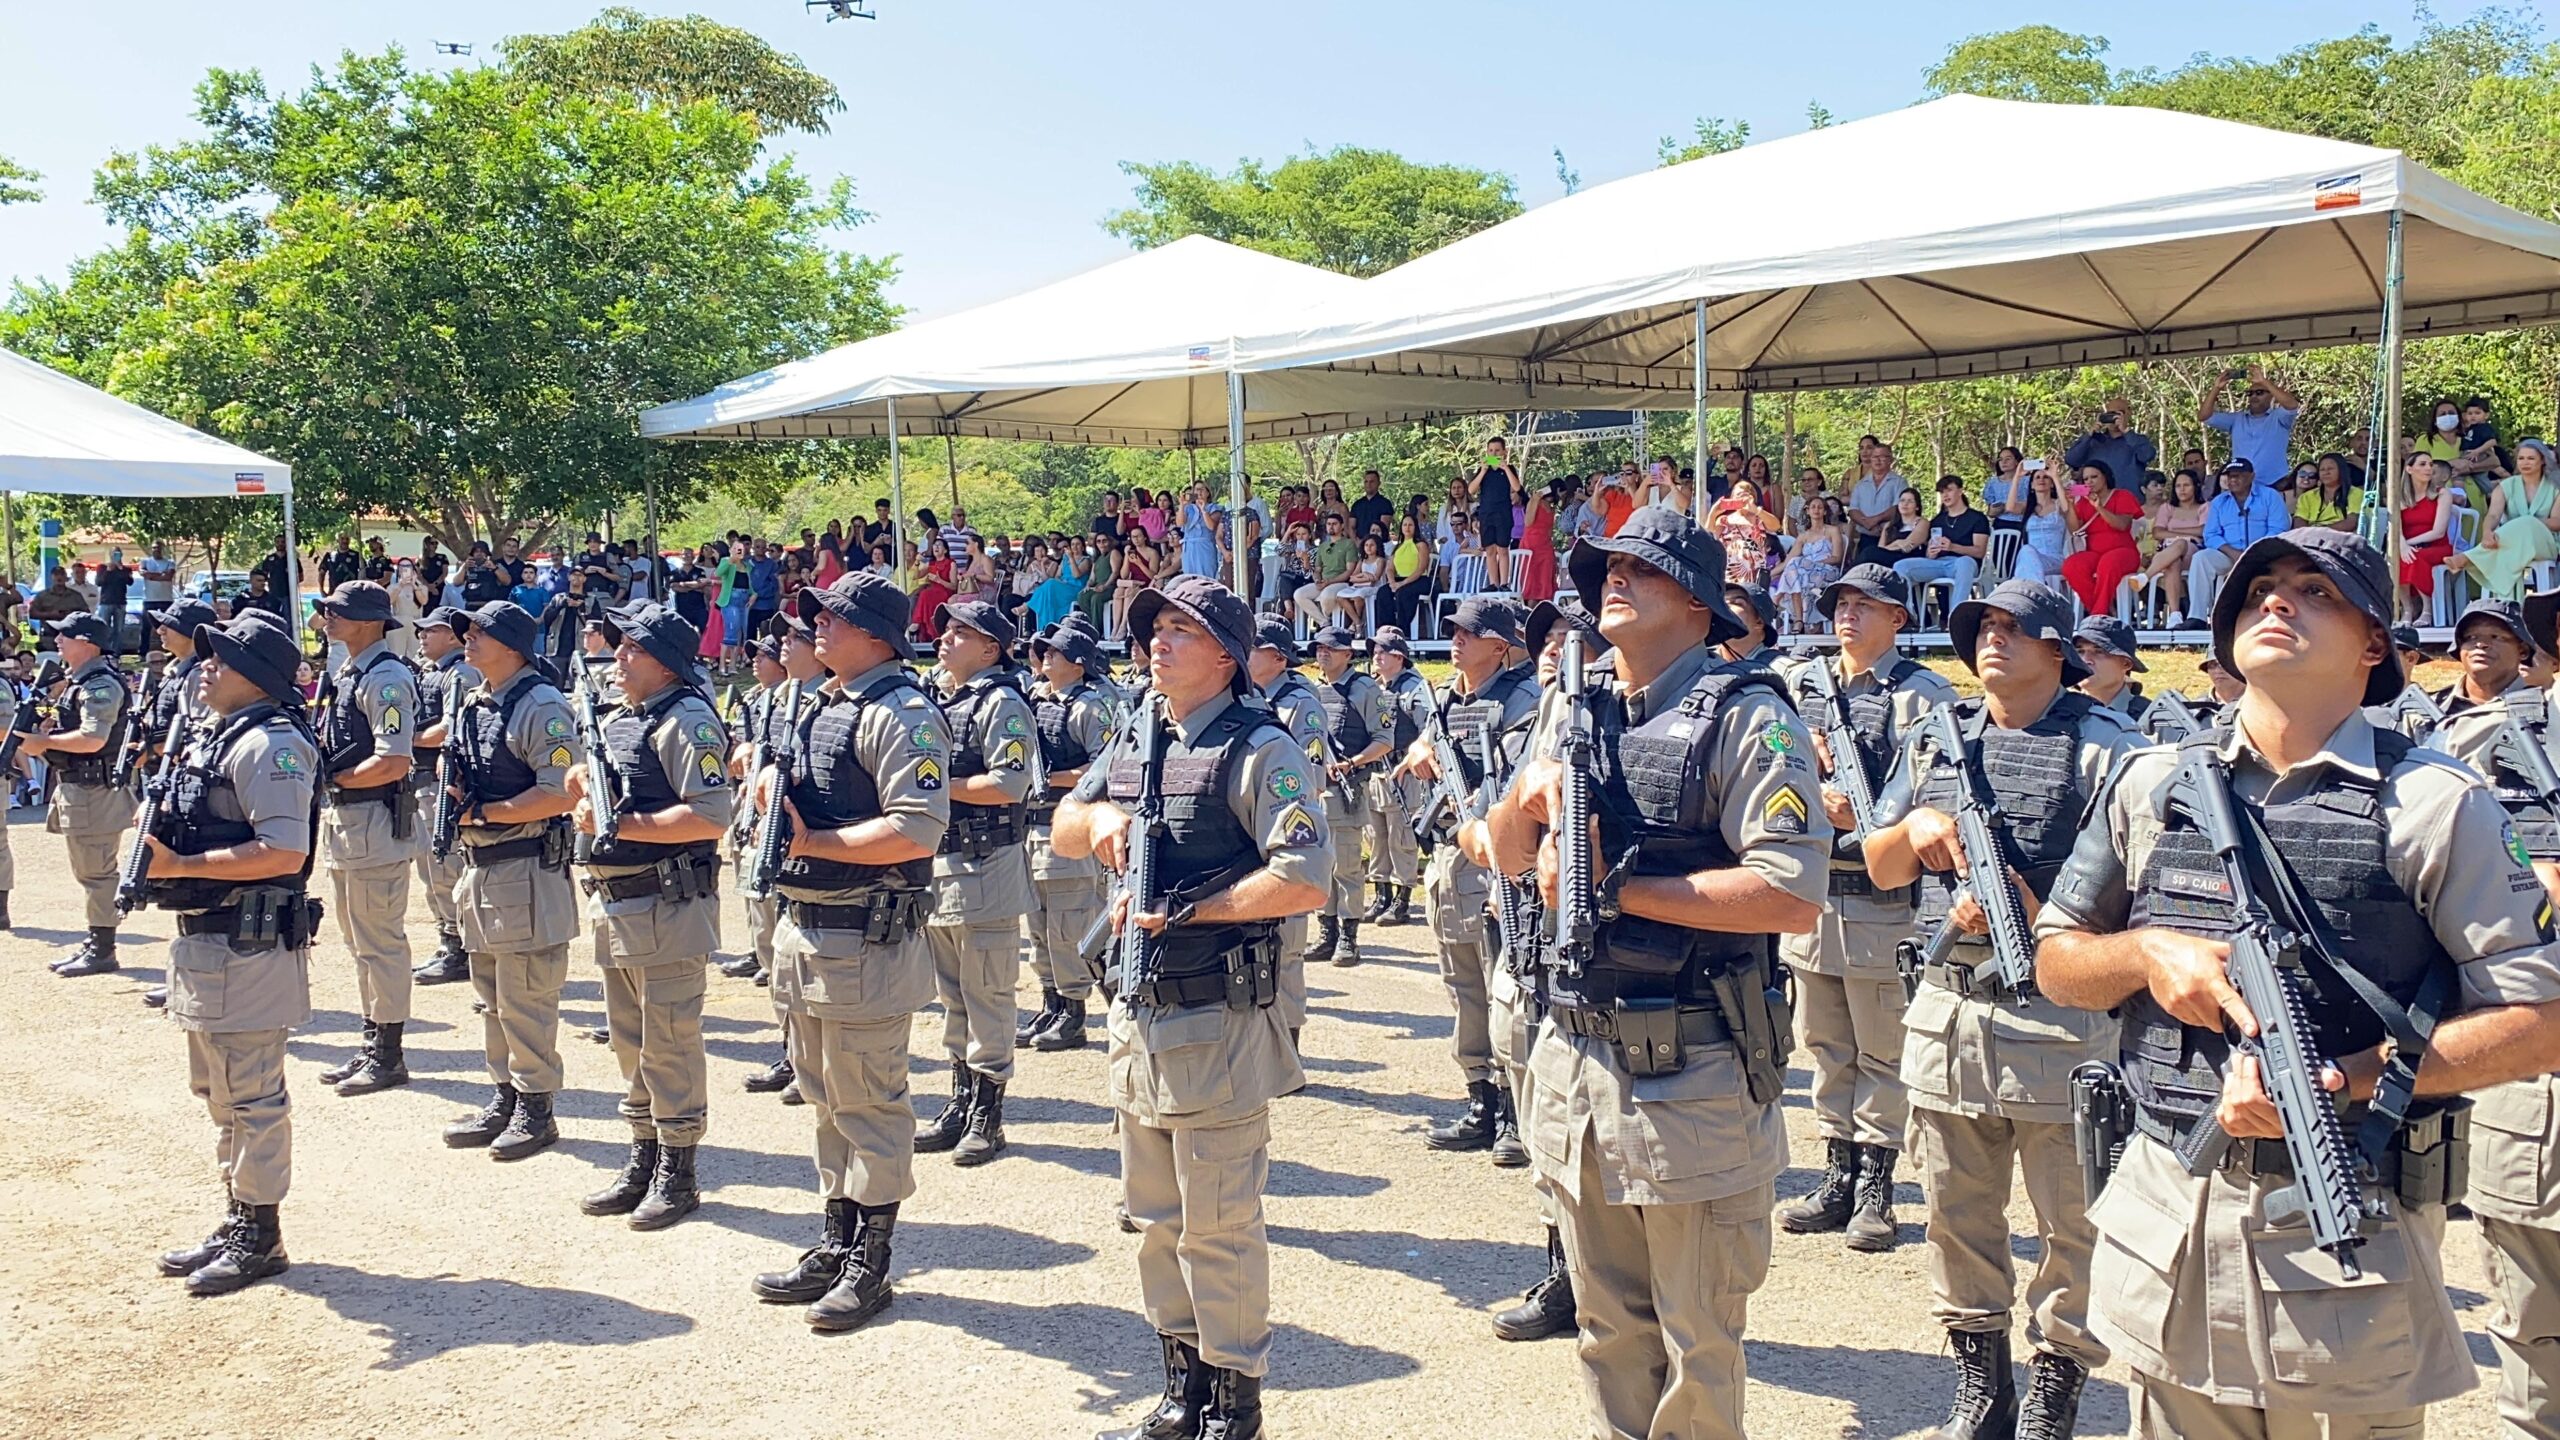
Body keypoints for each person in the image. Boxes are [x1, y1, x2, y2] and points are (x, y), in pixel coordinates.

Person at [2035, 526, 2560, 1439]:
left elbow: (2542, 1020)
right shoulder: (2150, 781)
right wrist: (2147, 954)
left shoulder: (2437, 804)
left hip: (2349, 1225)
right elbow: (2057, 961)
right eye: (2260, 589)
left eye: (2316, 591)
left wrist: (2349, 1078)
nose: (2276, 601)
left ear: (2373, 646)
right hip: (2172, 1208)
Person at [1484, 504, 1826, 1440]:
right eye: (1608, 567)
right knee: (1605, 1333)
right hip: (1578, 1068)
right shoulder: (1572, 704)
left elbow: (1789, 895)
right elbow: (1506, 852)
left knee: (1698, 1348)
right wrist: (1526, 796)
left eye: (1643, 567)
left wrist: (1615, 888)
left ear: (1698, 604)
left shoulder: (1747, 717)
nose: (1614, 579)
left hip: (1695, 1076)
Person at [1861, 578, 2138, 1440]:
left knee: (2075, 1221)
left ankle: (2056, 1383)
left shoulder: (2106, 750)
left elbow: (2148, 895)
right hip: (1951, 1013)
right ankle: (1983, 1385)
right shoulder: (1936, 741)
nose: (1994, 640)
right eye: (1984, 626)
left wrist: (2036, 905)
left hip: (2064, 1020)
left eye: (2016, 629)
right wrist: (1915, 833)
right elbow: (1878, 865)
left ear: (2060, 649)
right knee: (1955, 1213)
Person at [1053, 573, 1327, 1440]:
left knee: (1218, 1224)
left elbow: (1304, 878)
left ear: (1227, 655)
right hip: (1140, 1012)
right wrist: (1096, 827)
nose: (1158, 644)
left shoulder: (1260, 748)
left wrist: (1190, 910)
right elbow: (1063, 816)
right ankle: (1182, 1388)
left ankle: (1233, 1399)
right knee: (1157, 1220)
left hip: (1219, 1015)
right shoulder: (1141, 733)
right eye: (1154, 629)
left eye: (1181, 630)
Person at [747, 571, 951, 1333]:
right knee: (826, 1097)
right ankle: (836, 1239)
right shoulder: (825, 705)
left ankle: (872, 1260)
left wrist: (815, 840)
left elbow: (916, 828)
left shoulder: (902, 714)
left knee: (869, 1103)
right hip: (810, 929)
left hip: (865, 938)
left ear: (877, 636)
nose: (816, 628)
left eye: (834, 618)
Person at [1773, 566, 1960, 1256]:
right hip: (1817, 891)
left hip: (1883, 899)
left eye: (1863, 606)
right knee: (1825, 1044)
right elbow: (1770, 748)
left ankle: (1878, 1184)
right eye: (1840, 605)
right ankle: (1837, 1172)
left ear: (1897, 619)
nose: (1847, 616)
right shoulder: (1804, 683)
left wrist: (1873, 814)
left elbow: (1936, 782)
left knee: (1882, 1049)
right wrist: (1805, 775)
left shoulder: (1920, 695)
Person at [138, 612, 323, 1296]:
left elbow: (283, 850)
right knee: (216, 1092)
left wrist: (183, 859)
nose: (206, 666)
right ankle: (238, 1212)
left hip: (248, 943)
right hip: (206, 942)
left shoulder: (270, 745)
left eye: (223, 659)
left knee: (252, 1097)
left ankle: (260, 1233)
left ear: (260, 677)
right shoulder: (217, 737)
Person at [568, 601, 731, 1231]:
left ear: (663, 660)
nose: (619, 657)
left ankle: (679, 1168)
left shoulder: (686, 721)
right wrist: (583, 784)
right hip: (618, 901)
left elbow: (711, 813)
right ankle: (643, 1155)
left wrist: (617, 822)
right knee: (631, 1044)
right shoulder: (621, 718)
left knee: (667, 1042)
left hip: (668, 902)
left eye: (632, 647)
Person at [1391, 596, 1538, 1153]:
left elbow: (1518, 781)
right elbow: (1423, 740)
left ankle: (1515, 1109)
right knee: (1462, 985)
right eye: (1453, 631)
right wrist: (1421, 748)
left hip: (1492, 860)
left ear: (1500, 645)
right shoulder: (1448, 697)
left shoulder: (1522, 698)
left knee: (1506, 987)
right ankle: (1481, 1097)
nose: (1455, 640)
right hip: (1449, 859)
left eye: (1468, 634)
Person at [439, 600, 583, 1164]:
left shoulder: (542, 705)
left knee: (525, 999)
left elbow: (560, 791)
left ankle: (536, 1108)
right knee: (491, 999)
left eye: (481, 632)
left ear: (515, 646)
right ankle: (505, 1096)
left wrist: (481, 814)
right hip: (482, 870)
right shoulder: (476, 701)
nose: (468, 638)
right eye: (467, 630)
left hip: (524, 868)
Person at [913, 599, 1036, 1170]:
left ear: (991, 647)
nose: (945, 639)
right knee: (953, 996)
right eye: (946, 630)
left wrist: (935, 790)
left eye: (960, 633)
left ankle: (989, 1112)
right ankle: (960, 1100)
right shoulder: (943, 698)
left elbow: (1009, 784)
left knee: (987, 995)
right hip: (943, 864)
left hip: (986, 866)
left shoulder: (1001, 702)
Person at [309, 582, 424, 1097]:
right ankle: (372, 1039)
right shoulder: (350, 672)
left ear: (372, 621)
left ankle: (389, 1053)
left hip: (374, 823)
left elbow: (393, 760)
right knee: (360, 944)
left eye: (339, 612)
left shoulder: (386, 678)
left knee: (380, 943)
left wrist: (331, 779)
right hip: (350, 825)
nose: (327, 618)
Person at [1018, 619, 1117, 1053]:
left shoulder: (1089, 707)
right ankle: (1052, 1002)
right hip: (1033, 826)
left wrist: (1054, 779)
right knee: (1038, 927)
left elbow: (1106, 767)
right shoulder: (1038, 702)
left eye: (1054, 653)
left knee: (1067, 925)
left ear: (1077, 664)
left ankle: (1074, 1012)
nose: (1045, 659)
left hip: (1068, 827)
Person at [28, 613, 137, 976]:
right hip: (80, 787)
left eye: (65, 636)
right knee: (88, 871)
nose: (57, 641)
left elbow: (93, 738)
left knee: (97, 873)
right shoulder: (79, 682)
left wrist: (42, 742)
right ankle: (97, 941)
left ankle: (103, 948)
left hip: (95, 790)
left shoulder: (99, 685)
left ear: (87, 643)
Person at [1248, 617, 1329, 1040]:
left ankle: (1290, 1043)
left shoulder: (1300, 704)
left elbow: (1312, 775)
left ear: (1278, 658)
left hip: (1287, 829)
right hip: (1251, 837)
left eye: (1255, 647)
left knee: (1287, 947)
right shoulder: (1248, 699)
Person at [1306, 626, 1390, 968]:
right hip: (1316, 791)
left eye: (1331, 648)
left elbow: (1385, 739)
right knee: (1320, 866)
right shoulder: (1313, 691)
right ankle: (1326, 932)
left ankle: (1348, 938)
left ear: (1347, 654)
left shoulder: (1365, 689)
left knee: (1347, 866)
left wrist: (1352, 762)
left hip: (1347, 789)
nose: (1322, 652)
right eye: (1319, 647)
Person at [406, 607, 479, 988]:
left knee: (445, 864)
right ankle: (448, 939)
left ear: (452, 636)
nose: (422, 635)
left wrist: (409, 738)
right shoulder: (432, 672)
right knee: (429, 865)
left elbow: (451, 727)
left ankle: (461, 946)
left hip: (442, 779)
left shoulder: (461, 673)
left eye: (430, 630)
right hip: (422, 778)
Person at [1360, 628, 1429, 928]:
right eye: (1375, 650)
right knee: (1376, 838)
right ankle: (1381, 896)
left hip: (1403, 772)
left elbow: (1428, 730)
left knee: (1401, 839)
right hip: (1376, 770)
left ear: (1399, 657)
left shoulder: (1415, 689)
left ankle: (1402, 900)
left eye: (1383, 651)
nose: (1376, 655)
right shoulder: (1374, 687)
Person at [2448, 437, 2560, 602]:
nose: (2525, 463)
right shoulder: (2506, 486)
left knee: (2527, 522)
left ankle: (2470, 557)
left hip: (2546, 543)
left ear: (2542, 460)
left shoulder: (2555, 487)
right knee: (2508, 537)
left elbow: (2557, 522)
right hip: (2510, 543)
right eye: (2521, 458)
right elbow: (2493, 515)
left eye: (2531, 458)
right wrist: (2487, 532)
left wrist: (2529, 523)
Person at [2188, 458, 2296, 616]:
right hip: (2229, 554)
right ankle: (2196, 617)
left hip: (2262, 554)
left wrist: (2254, 552)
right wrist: (2232, 552)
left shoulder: (2270, 496)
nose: (2233, 480)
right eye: (2230, 476)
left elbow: (2278, 529)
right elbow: (2210, 535)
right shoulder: (2219, 502)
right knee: (2201, 558)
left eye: (2238, 475)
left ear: (2251, 476)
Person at [2061, 460, 2145, 618]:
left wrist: (2099, 507)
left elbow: (2122, 525)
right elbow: (2074, 530)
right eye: (2085, 479)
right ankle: (2103, 610)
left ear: (2105, 477)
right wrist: (2071, 505)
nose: (2089, 482)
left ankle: (2098, 614)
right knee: (2071, 566)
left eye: (2094, 477)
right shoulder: (2084, 502)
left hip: (2123, 552)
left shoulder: (2122, 495)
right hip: (2095, 553)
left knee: (2108, 563)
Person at [1894, 475, 1990, 613]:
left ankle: (1956, 615)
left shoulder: (1977, 518)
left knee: (1965, 563)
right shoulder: (1938, 520)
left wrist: (1953, 547)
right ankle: (1908, 612)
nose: (1945, 495)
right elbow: (1929, 552)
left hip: (1965, 564)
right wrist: (1930, 553)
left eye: (1949, 490)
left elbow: (1980, 551)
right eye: (1942, 492)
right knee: (1901, 566)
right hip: (1939, 563)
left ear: (1960, 491)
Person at [2197, 363, 2301, 482]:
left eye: (2259, 392)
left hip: (2275, 484)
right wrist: (2216, 388)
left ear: (2271, 396)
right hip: (2242, 485)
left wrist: (2264, 381)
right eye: (2250, 393)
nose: (2254, 396)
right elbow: (2203, 416)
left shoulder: (2278, 417)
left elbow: (2292, 405)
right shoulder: (2237, 419)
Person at [2396, 455, 2462, 622]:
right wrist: (2401, 545)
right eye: (2423, 464)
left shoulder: (2441, 494)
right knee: (2396, 558)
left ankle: (2427, 609)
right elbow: (2395, 528)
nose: (2428, 468)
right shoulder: (2399, 497)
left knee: (2415, 556)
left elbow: (2438, 532)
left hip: (2436, 547)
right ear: (2409, 469)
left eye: (2430, 464)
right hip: (2408, 547)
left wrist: (2407, 545)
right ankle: (2408, 609)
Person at [2140, 469, 2209, 626]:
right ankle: (2175, 615)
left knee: (2180, 543)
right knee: (2173, 561)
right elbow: (2157, 532)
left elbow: (2203, 531)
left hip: (2195, 554)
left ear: (2195, 486)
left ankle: (2147, 576)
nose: (2182, 489)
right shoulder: (2167, 508)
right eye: (2178, 486)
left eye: (2186, 485)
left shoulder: (2204, 507)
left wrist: (2174, 534)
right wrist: (2188, 533)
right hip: (2170, 556)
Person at [1774, 496, 1846, 633]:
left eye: (1820, 507)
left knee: (1797, 566)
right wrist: (1770, 574)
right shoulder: (1803, 536)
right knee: (1796, 571)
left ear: (1825, 512)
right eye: (1813, 507)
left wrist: (1812, 563)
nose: (1816, 510)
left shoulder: (1833, 530)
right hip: (1804, 573)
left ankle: (1777, 599)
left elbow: (1837, 558)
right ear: (1807, 511)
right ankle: (1799, 621)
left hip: (1827, 571)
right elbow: (1788, 560)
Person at [2073, 612, 2154, 729]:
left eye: (2099, 651)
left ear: (2126, 664)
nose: (2086, 660)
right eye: (2080, 651)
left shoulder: (2149, 717)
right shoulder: (2058, 712)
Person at [2063, 396, 2157, 490]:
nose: (2113, 418)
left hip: (2130, 500)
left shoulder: (2137, 440)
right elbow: (2071, 460)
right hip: (2099, 501)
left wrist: (2126, 431)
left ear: (2127, 414)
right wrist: (2088, 436)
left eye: (2117, 413)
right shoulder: (2093, 441)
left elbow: (2147, 456)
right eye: (2109, 414)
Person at [1848, 442, 1911, 568]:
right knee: (1862, 571)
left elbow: (1899, 507)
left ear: (1890, 460)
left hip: (1890, 537)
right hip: (1866, 537)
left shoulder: (1899, 482)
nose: (1878, 460)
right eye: (1875, 457)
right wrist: (1868, 524)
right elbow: (1853, 510)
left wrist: (1876, 520)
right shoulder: (1860, 484)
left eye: (1883, 457)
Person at [1708, 477, 1780, 585]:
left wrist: (1756, 510)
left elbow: (1775, 526)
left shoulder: (1759, 518)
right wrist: (1713, 513)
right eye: (1738, 495)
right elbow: (1708, 538)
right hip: (1731, 572)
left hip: (1755, 572)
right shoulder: (1724, 520)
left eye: (1745, 494)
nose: (1741, 498)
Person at [1476, 436, 1519, 589]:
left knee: (1503, 548)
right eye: (1490, 451)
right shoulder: (1483, 471)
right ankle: (1493, 582)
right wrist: (1482, 471)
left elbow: (1517, 487)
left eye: (1497, 451)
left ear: (1504, 452)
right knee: (1490, 549)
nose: (1493, 454)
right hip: (1486, 513)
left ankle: (1504, 582)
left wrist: (1505, 468)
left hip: (1503, 513)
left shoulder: (1509, 469)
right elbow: (1471, 489)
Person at [1378, 516, 1434, 633]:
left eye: (1410, 525)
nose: (1407, 528)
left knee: (1403, 593)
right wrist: (1392, 582)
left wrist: (1402, 583)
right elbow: (1389, 568)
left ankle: (1403, 629)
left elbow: (1421, 568)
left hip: (1418, 580)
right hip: (1399, 580)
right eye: (1404, 525)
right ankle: (1387, 629)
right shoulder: (1397, 547)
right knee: (1383, 592)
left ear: (1415, 527)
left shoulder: (1421, 545)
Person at [1519, 479, 1559, 602]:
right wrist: (1535, 499)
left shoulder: (1551, 509)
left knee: (1540, 585)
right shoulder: (1539, 503)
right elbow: (1528, 522)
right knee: (1535, 586)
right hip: (1532, 547)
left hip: (1541, 547)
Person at [1350, 468, 1394, 541]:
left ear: (1378, 483)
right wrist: (1357, 542)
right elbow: (1351, 527)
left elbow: (1383, 528)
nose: (1368, 484)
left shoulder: (1385, 504)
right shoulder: (1357, 504)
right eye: (1366, 482)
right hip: (1359, 545)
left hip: (1378, 545)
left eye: (1372, 482)